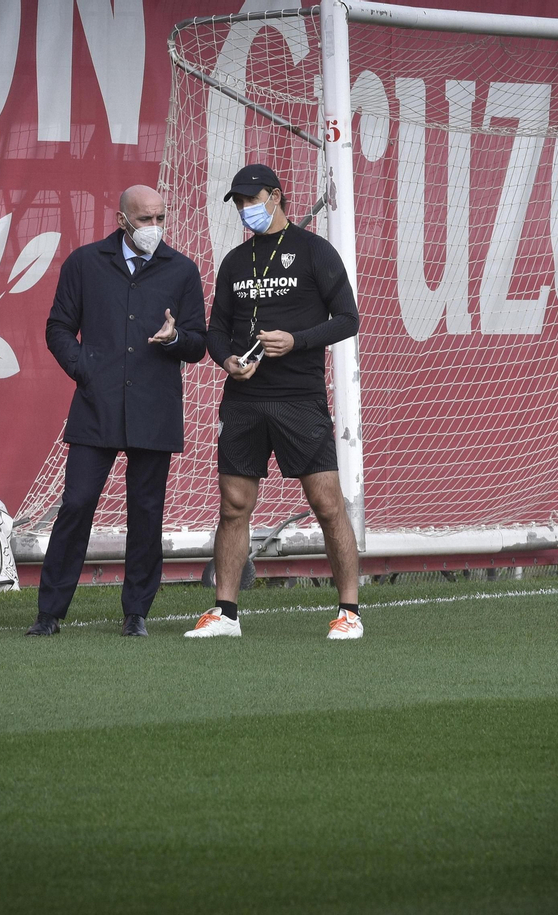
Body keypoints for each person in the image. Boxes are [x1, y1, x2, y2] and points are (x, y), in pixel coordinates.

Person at [186, 164, 362, 640]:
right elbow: (216, 329)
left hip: (299, 397)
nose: (246, 209)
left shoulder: (314, 250)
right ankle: (225, 613)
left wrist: (297, 340)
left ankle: (349, 612)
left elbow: (348, 318)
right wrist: (227, 360)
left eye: (252, 199)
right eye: (240, 202)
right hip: (243, 399)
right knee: (233, 505)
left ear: (277, 196)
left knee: (326, 503)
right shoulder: (234, 262)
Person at [32, 185, 208, 637]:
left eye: (160, 218)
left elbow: (198, 344)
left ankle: (136, 614)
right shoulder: (85, 263)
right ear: (122, 220)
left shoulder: (182, 270)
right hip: (97, 406)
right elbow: (58, 328)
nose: (154, 227)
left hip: (154, 409)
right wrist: (84, 368)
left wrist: (175, 338)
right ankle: (49, 613)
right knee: (76, 504)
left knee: (146, 512)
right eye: (145, 219)